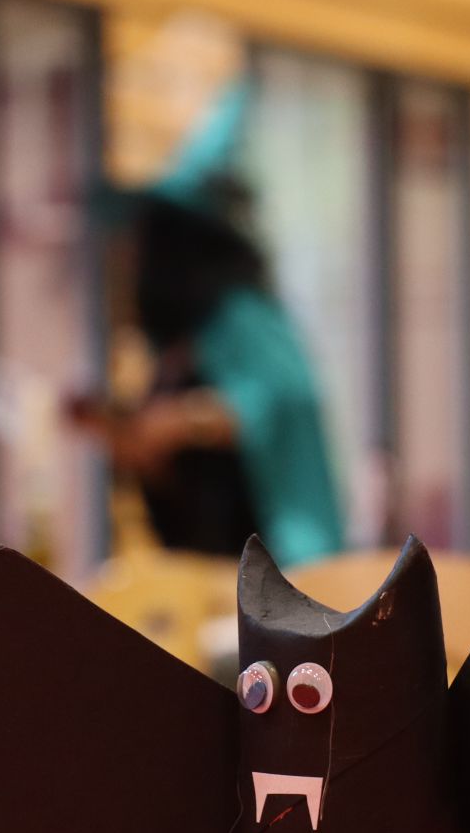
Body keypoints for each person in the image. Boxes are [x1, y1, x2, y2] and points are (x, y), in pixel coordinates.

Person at [74, 85, 343, 565]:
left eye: (139, 243)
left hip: (285, 572)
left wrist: (178, 423)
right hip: (211, 574)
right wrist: (121, 435)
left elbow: (278, 402)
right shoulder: (178, 349)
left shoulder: (243, 317)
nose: (126, 260)